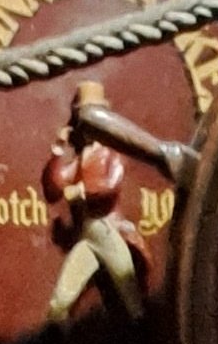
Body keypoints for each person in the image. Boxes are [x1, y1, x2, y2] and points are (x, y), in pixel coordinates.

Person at [41, 83, 147, 330]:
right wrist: (58, 150)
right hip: (89, 235)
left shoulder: (111, 153)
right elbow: (55, 187)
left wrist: (80, 191)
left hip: (107, 230)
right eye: (83, 121)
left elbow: (110, 185)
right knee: (61, 299)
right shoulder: (82, 159)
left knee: (129, 290)